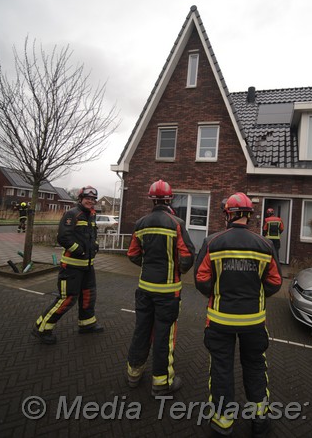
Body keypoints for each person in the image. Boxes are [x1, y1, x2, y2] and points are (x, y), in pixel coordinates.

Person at [194, 192, 282, 437]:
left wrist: (219, 293)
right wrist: (256, 294)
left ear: (227, 214)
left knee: (221, 368)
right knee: (255, 366)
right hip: (254, 321)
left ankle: (222, 422)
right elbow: (275, 282)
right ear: (250, 216)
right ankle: (260, 420)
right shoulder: (265, 245)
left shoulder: (213, 241)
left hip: (219, 319)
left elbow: (201, 280)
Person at [125, 179, 195, 396]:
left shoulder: (140, 223)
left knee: (141, 330)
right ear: (170, 198)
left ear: (151, 199)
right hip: (168, 292)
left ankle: (133, 374)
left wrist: (147, 266)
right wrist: (177, 271)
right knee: (164, 334)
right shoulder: (176, 223)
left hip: (144, 288)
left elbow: (133, 254)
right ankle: (162, 383)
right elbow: (187, 257)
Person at [31, 186, 103, 344]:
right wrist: (80, 251)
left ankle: (87, 324)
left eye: (93, 199)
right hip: (72, 266)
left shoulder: (91, 215)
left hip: (88, 266)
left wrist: (95, 245)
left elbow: (93, 235)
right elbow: (63, 237)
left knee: (88, 295)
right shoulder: (72, 214)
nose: (90, 201)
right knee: (67, 298)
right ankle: (42, 328)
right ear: (80, 199)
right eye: (87, 198)